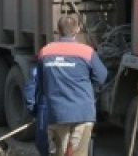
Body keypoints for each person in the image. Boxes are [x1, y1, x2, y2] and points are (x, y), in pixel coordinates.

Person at [25, 15, 108, 156]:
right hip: (83, 114)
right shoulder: (87, 52)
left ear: (58, 30)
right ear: (77, 30)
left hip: (57, 114)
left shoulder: (45, 52)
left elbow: (39, 85)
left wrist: (34, 110)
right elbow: (102, 78)